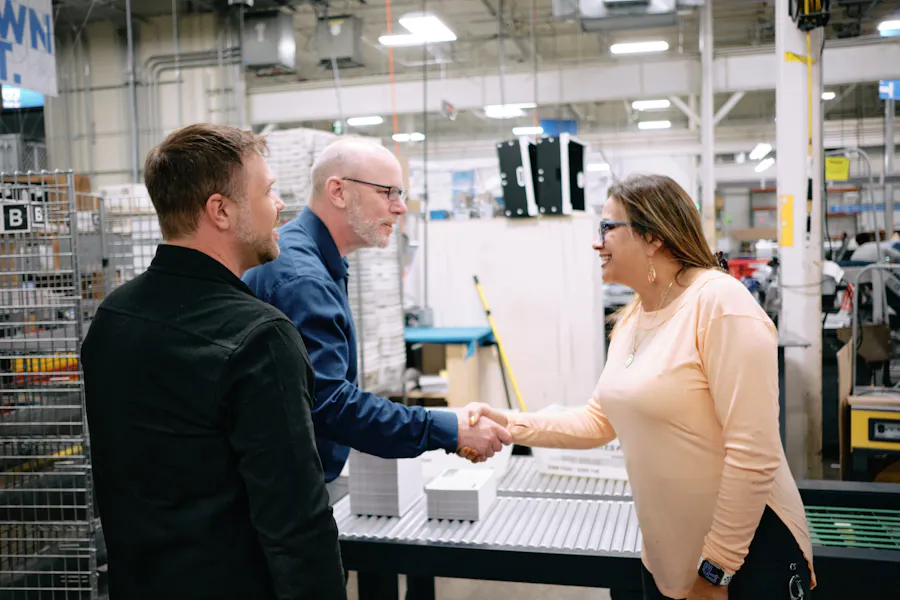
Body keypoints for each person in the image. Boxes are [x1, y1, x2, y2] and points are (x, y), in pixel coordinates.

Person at [468, 174, 815, 600]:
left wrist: (716, 570)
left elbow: (753, 454)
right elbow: (598, 420)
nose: (598, 243)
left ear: (653, 237)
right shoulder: (633, 317)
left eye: (608, 228)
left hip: (743, 558)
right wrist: (508, 423)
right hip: (667, 557)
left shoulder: (721, 306)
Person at [82, 124, 346, 600]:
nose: (280, 205)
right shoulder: (260, 338)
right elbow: (297, 524)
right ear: (220, 211)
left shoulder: (112, 318)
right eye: (267, 192)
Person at [243, 137, 511, 485]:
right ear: (338, 191)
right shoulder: (301, 278)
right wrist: (448, 429)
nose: (400, 208)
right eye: (388, 193)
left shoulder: (314, 262)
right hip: (280, 488)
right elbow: (329, 404)